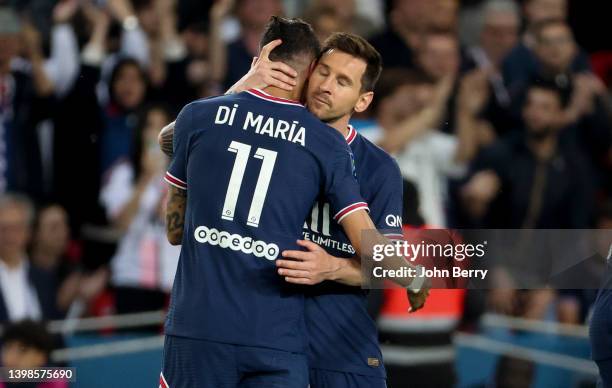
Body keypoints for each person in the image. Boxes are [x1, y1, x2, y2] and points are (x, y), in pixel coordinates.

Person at [159, 17, 427, 388]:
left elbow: (381, 262)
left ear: (363, 100)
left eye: (343, 81)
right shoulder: (305, 139)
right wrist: (245, 88)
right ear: (307, 72)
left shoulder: (378, 168)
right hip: (274, 337)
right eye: (323, 73)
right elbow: (172, 138)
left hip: (339, 350)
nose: (326, 87)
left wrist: (332, 268)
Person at [0, 194, 60, 323]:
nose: (10, 236)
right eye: (4, 229)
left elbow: (55, 331)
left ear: (28, 232)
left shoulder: (43, 278)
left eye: (16, 228)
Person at [0, 320, 67, 388]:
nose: (11, 357)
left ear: (41, 356)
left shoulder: (54, 382)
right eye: (7, 348)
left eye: (22, 350)